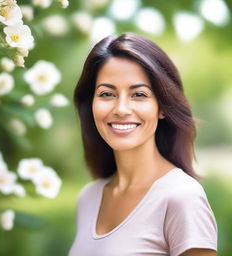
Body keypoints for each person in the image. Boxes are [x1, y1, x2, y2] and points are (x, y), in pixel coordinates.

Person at [68, 32, 217, 256]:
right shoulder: (89, 197)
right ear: (91, 104)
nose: (121, 109)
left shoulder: (182, 197)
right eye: (107, 93)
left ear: (163, 107)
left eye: (138, 94)